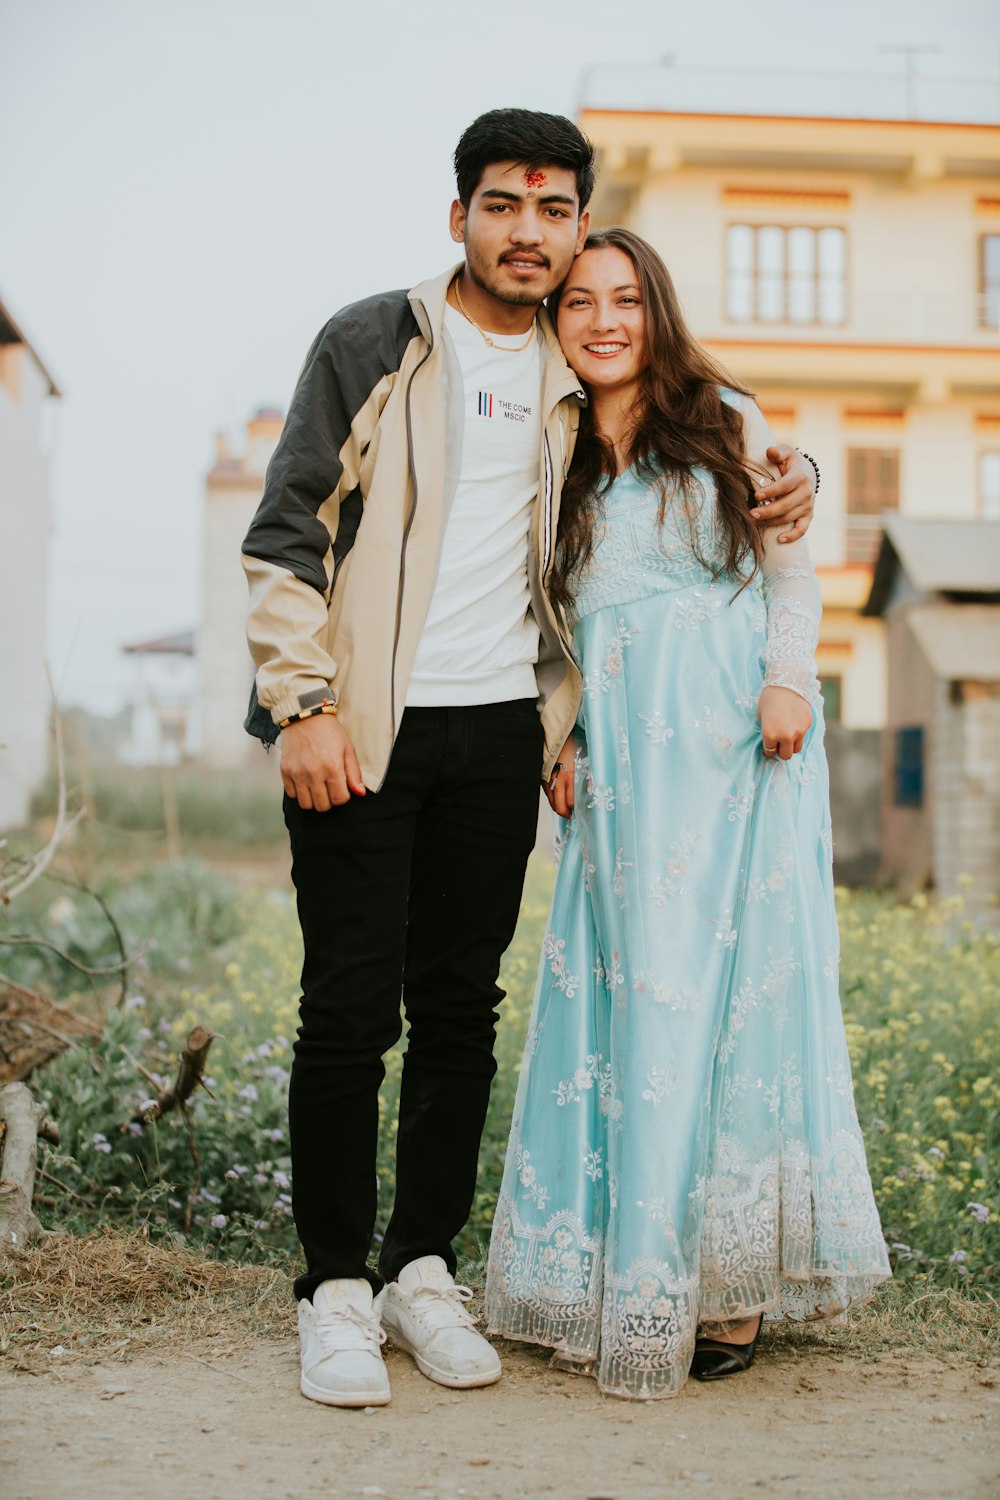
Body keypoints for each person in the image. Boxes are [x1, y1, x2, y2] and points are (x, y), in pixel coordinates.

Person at [242, 114, 818, 1409]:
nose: (528, 232)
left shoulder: (575, 378)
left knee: (460, 1014)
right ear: (461, 218)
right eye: (501, 205)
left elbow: (694, 461)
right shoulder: (373, 342)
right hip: (362, 724)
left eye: (553, 211)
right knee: (346, 1013)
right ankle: (333, 1288)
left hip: (503, 732)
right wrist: (304, 703)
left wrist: (798, 475)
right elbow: (287, 528)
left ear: (577, 226)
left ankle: (420, 1266)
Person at [484, 228, 890, 1400]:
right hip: (622, 758)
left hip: (731, 738)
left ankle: (725, 1287)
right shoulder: (551, 452)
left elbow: (791, 571)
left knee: (734, 1001)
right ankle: (620, 1269)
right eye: (577, 303)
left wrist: (788, 681)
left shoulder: (726, 418)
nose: (601, 319)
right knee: (629, 1002)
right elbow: (554, 628)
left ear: (655, 311)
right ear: (554, 322)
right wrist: (562, 735)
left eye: (625, 299)